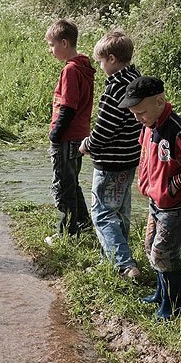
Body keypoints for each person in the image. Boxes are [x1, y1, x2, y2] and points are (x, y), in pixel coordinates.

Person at [119, 76, 181, 320]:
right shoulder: (149, 128)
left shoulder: (176, 130)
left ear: (160, 102)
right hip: (156, 202)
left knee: (163, 252)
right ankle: (162, 294)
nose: (137, 117)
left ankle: (174, 304)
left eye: (140, 112)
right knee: (151, 247)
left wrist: (173, 186)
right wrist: (147, 183)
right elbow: (145, 156)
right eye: (133, 113)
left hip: (176, 206)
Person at [78, 31, 143, 280]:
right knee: (121, 211)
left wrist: (88, 145)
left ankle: (124, 264)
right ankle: (114, 258)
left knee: (102, 213)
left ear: (112, 59)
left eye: (101, 61)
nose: (101, 66)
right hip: (129, 157)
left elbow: (104, 128)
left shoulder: (116, 87)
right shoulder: (136, 80)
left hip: (110, 161)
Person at [45, 19, 96, 244]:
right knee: (72, 180)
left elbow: (68, 106)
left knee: (64, 184)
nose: (50, 50)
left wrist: (55, 133)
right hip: (79, 134)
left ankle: (66, 232)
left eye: (51, 44)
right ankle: (83, 221)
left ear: (64, 43)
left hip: (67, 136)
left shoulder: (71, 70)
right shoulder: (83, 67)